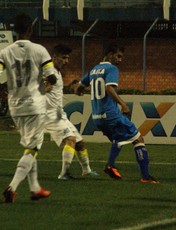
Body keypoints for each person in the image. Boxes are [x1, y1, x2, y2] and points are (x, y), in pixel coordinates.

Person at [76, 43, 158, 183]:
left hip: (97, 118)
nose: (120, 60)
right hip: (111, 115)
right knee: (138, 139)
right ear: (109, 54)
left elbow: (78, 89)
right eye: (118, 56)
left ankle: (111, 165)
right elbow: (109, 88)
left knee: (118, 139)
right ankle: (145, 177)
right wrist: (123, 104)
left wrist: (80, 91)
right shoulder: (111, 69)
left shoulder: (94, 70)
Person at [0, 13, 57, 203]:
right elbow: (52, 77)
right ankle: (12, 187)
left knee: (29, 146)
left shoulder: (4, 52)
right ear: (30, 29)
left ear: (14, 30)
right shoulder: (40, 50)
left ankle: (34, 188)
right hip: (34, 105)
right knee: (32, 148)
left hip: (15, 106)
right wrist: (46, 83)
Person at [44, 44, 99, 180]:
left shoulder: (57, 72)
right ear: (54, 57)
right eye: (63, 58)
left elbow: (55, 91)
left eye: (67, 58)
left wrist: (71, 87)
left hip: (59, 114)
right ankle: (64, 174)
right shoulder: (47, 71)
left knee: (79, 142)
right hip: (49, 115)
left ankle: (86, 170)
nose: (66, 61)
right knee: (71, 139)